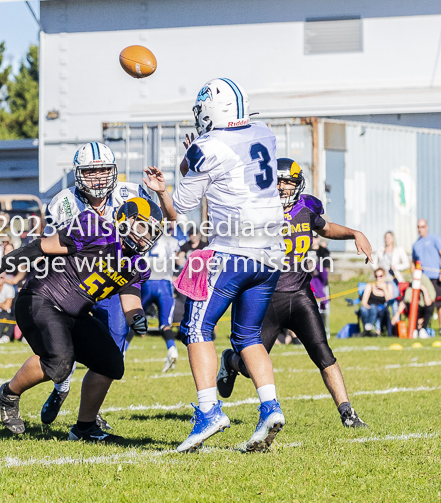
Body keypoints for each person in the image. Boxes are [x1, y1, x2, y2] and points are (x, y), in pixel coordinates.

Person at [144, 78, 289, 453]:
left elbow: (179, 210)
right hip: (272, 253)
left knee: (195, 327)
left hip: (233, 251)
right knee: (248, 336)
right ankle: (270, 406)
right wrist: (194, 157)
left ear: (211, 110)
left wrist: (163, 189)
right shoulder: (264, 132)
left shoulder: (206, 147)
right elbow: (220, 166)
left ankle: (209, 411)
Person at [0, 198, 160, 442]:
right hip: (41, 299)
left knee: (111, 364)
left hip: (75, 314)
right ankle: (8, 393)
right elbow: (41, 246)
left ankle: (84, 429)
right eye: (142, 227)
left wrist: (137, 318)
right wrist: (2, 266)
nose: (144, 236)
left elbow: (131, 299)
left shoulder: (136, 265)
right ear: (124, 219)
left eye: (151, 232)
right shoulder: (95, 229)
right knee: (60, 363)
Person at [212, 158, 371, 428]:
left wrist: (355, 233)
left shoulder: (306, 208)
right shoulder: (257, 208)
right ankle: (230, 361)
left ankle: (347, 414)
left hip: (300, 295)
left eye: (289, 182)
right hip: (265, 296)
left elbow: (327, 229)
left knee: (324, 354)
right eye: (279, 181)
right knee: (252, 367)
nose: (284, 187)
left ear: (298, 185)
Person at [37, 142, 155, 429]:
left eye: (104, 170)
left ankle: (89, 416)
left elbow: (163, 219)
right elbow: (48, 248)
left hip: (113, 283)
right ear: (79, 174)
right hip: (75, 283)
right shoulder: (62, 202)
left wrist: (162, 193)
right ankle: (58, 385)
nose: (99, 177)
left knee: (110, 352)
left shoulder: (130, 193)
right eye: (92, 171)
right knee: (61, 347)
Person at [126, 230, 180, 371]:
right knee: (165, 324)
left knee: (133, 318)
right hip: (165, 284)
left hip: (148, 282)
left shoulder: (143, 237)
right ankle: (172, 349)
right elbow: (179, 259)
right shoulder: (170, 240)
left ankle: (122, 351)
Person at [412, 219, 441, 318]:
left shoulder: (434, 239)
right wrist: (414, 276)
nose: (420, 229)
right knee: (424, 303)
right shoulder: (416, 244)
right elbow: (413, 262)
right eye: (419, 227)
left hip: (435, 277)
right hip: (423, 279)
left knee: (439, 303)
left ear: (427, 227)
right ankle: (423, 329)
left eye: (423, 226)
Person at [392, 273, 436, 337]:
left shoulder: (425, 282)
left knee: (430, 307)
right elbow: (405, 301)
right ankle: (414, 330)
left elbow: (428, 303)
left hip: (424, 307)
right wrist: (397, 314)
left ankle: (423, 330)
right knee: (413, 307)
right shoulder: (410, 288)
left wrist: (424, 289)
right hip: (414, 308)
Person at [359, 267, 393, 336]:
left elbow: (389, 299)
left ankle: (367, 330)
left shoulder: (388, 285)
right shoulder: (370, 285)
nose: (378, 278)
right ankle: (367, 329)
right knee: (363, 309)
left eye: (380, 276)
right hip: (369, 306)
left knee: (374, 307)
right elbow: (364, 302)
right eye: (376, 276)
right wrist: (368, 307)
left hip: (381, 308)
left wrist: (384, 288)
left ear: (384, 276)